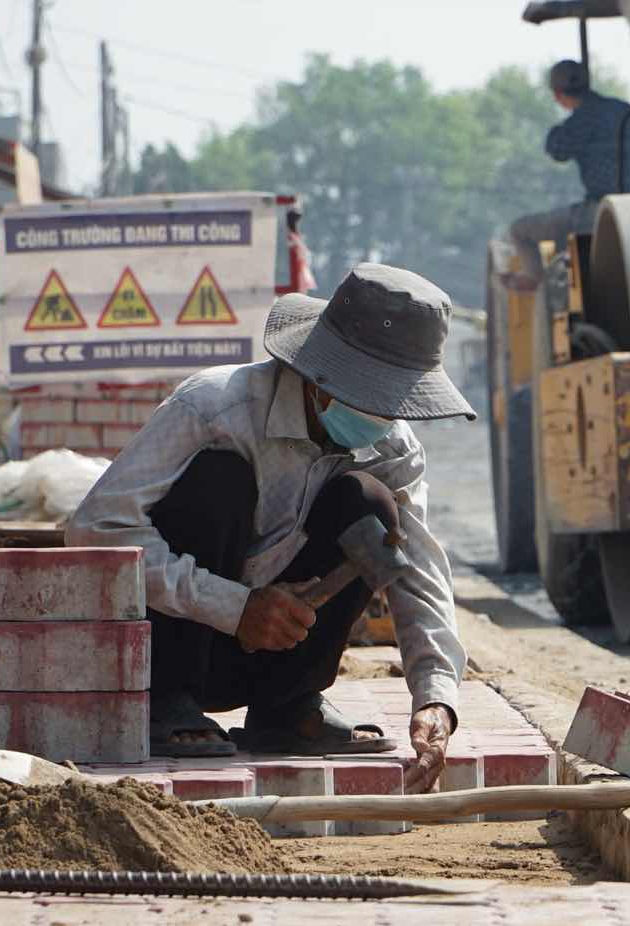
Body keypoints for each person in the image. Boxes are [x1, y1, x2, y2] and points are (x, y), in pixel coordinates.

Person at [67, 264, 476, 794]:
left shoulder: (393, 446)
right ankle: (168, 700)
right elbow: (95, 527)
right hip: (170, 644)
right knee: (221, 478)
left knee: (371, 505)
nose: (383, 413)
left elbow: (417, 567)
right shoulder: (215, 406)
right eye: (372, 394)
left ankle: (287, 705)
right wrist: (234, 607)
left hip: (274, 645)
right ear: (322, 378)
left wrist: (436, 697)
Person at [509, 59, 630, 271]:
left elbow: (557, 150)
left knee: (520, 230)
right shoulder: (625, 111)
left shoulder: (581, 121)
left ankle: (536, 283)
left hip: (600, 211)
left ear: (558, 95)